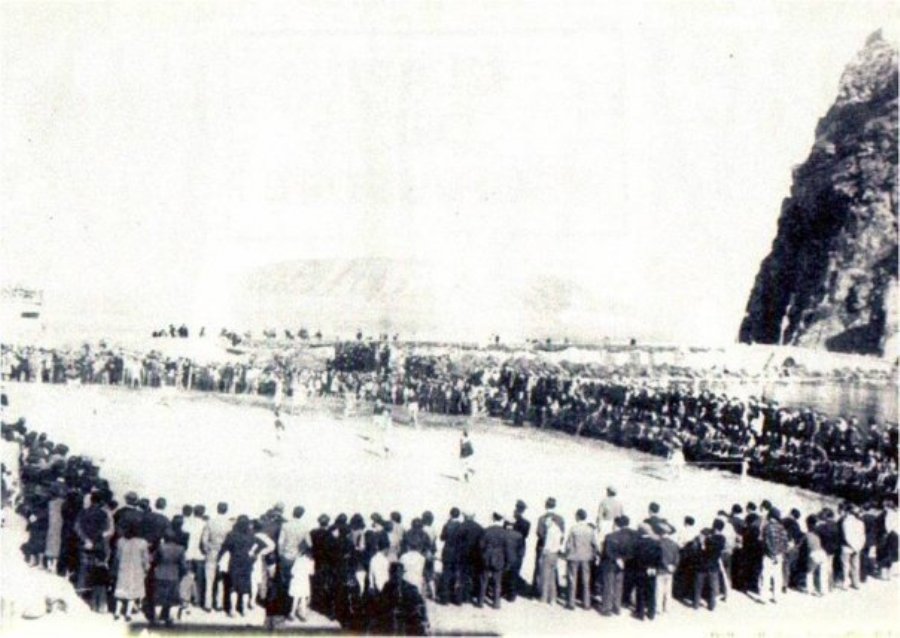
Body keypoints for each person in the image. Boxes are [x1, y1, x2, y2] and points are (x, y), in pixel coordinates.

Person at [368, 562, 430, 636]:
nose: (395, 576)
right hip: (392, 620)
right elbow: (382, 604)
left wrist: (423, 620)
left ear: (402, 574)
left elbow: (420, 606)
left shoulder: (411, 588)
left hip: (408, 620)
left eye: (397, 574)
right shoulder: (388, 586)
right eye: (392, 574)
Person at [112, 521, 150, 621]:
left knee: (120, 591)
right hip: (136, 570)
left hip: (123, 568)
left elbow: (117, 556)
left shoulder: (120, 541)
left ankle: (117, 612)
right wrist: (146, 568)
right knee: (132, 593)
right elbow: (145, 559)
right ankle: (128, 614)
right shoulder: (142, 542)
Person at [151, 529, 188, 626]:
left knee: (158, 598)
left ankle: (156, 618)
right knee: (173, 599)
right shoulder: (181, 549)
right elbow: (183, 565)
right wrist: (183, 573)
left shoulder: (160, 547)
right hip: (173, 575)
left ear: (165, 538)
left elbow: (153, 560)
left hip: (160, 574)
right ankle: (171, 619)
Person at [201, 501, 232, 611]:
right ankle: (219, 604)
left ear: (217, 509)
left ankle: (207, 604)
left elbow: (204, 540)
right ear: (226, 510)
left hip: (211, 552)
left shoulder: (210, 522)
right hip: (224, 554)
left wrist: (207, 550)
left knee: (209, 580)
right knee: (221, 580)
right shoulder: (229, 524)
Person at [564, 508, 597, 611]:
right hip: (586, 557)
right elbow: (594, 544)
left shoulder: (573, 529)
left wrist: (566, 553)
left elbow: (568, 544)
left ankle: (571, 603)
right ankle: (586, 603)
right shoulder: (590, 529)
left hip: (574, 556)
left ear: (577, 516)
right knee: (586, 580)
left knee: (572, 579)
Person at [478, 513, 507, 608]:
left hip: (487, 556)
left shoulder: (487, 530)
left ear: (493, 518)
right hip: (499, 557)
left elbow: (481, 545)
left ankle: (480, 602)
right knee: (497, 581)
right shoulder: (504, 532)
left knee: (483, 580)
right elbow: (506, 547)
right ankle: (496, 603)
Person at [760, 509, 789, 604]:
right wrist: (780, 554)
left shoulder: (767, 527)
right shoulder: (782, 528)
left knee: (766, 575)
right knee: (777, 576)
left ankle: (764, 597)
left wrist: (772, 554)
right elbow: (785, 543)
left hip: (769, 555)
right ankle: (776, 596)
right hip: (779, 555)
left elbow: (766, 542)